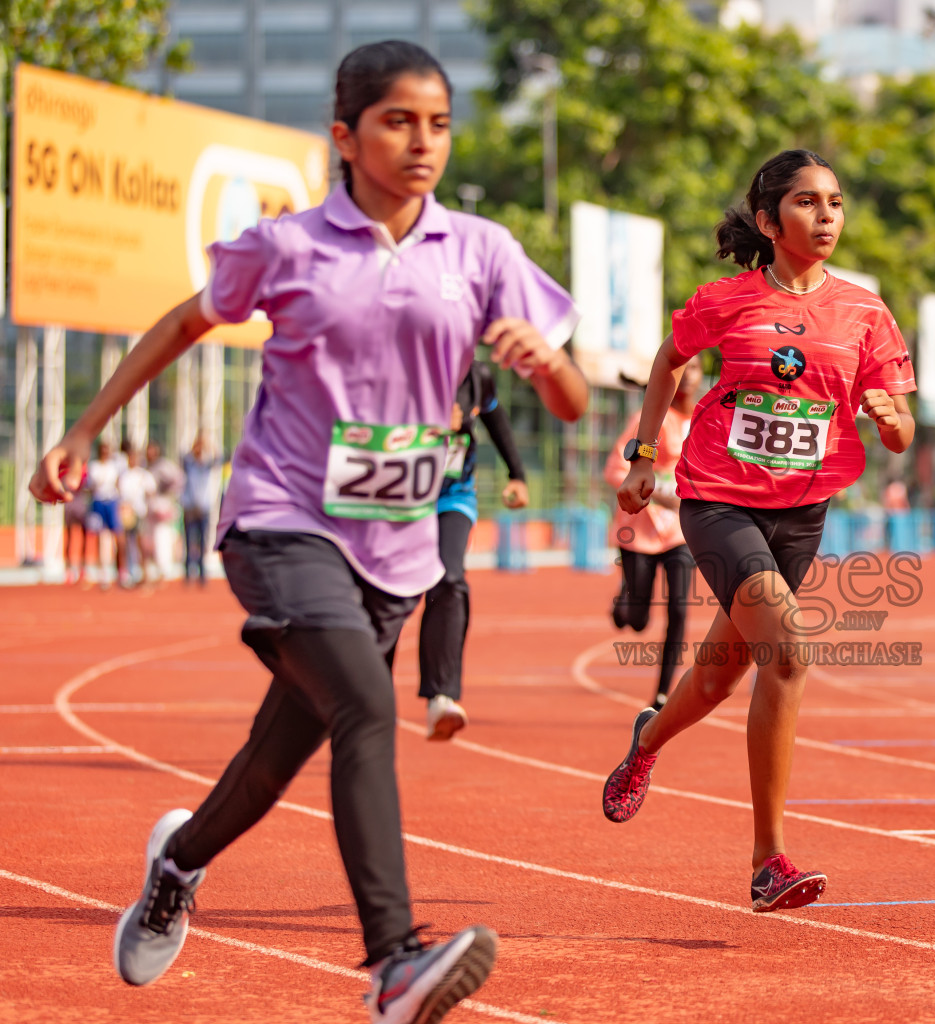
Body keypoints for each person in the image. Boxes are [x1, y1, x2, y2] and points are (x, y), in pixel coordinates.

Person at [30, 40, 587, 1023]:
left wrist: (545, 363)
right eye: (398, 121)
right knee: (368, 709)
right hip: (281, 520)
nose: (423, 143)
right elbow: (180, 324)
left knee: (275, 757)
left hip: (397, 549)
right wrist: (83, 428)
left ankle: (179, 862)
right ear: (345, 134)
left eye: (440, 124)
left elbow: (574, 402)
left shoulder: (482, 252)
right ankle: (394, 963)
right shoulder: (288, 249)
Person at [602, 149, 916, 913]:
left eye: (835, 203)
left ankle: (647, 740)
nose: (827, 217)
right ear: (771, 222)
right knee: (789, 649)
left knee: (717, 677)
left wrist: (890, 419)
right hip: (717, 500)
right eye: (808, 203)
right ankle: (767, 860)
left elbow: (903, 431)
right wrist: (644, 456)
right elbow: (670, 360)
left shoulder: (865, 313)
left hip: (803, 514)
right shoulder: (728, 299)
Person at [418, 360, 538, 741]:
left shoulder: (477, 376)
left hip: (452, 497)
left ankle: (442, 697)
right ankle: (361, 700)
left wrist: (517, 474)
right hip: (398, 499)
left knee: (450, 579)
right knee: (386, 600)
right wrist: (427, 428)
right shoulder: (404, 363)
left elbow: (496, 419)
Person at [604, 357, 702, 711]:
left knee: (679, 608)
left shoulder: (703, 419)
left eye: (694, 368)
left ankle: (662, 695)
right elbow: (615, 470)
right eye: (682, 368)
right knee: (637, 619)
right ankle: (623, 604)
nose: (688, 376)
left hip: (679, 532)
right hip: (639, 530)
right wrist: (660, 495)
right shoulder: (648, 421)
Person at [86, 441, 129, 589]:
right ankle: (103, 573)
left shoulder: (115, 467)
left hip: (112, 502)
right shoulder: (94, 467)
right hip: (98, 503)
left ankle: (122, 572)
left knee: (119, 537)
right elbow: (90, 487)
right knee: (102, 538)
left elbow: (120, 484)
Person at [117, 446, 159, 587]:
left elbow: (151, 492)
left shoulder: (144, 475)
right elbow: (119, 493)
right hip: (126, 513)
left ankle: (145, 574)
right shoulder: (124, 475)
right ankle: (126, 575)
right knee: (125, 544)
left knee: (142, 544)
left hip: (140, 513)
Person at [146, 441, 185, 583]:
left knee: (162, 538)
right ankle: (155, 568)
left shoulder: (164, 465)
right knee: (151, 539)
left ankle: (164, 570)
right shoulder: (148, 466)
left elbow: (178, 479)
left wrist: (167, 493)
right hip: (152, 507)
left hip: (163, 505)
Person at [181, 434, 217, 586]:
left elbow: (219, 457)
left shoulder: (207, 464)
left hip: (203, 507)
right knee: (189, 540)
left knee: (203, 541)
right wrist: (194, 446)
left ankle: (202, 574)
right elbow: (182, 456)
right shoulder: (189, 464)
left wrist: (209, 445)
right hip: (189, 507)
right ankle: (188, 572)